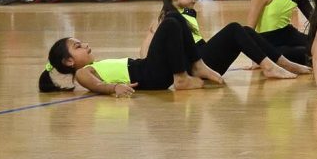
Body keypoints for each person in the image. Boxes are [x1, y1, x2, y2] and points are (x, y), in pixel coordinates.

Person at [146, 0, 305, 81]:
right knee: (234, 29)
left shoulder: (187, 12)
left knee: (245, 30)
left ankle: (284, 63)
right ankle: (269, 67)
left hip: (204, 60)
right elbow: (147, 54)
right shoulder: (165, 19)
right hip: (195, 67)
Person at [39, 33, 212, 96]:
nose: (85, 45)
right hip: (148, 74)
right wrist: (115, 88)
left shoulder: (95, 66)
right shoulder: (81, 73)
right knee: (171, 21)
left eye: (82, 43)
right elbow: (97, 85)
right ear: (69, 61)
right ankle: (185, 75)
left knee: (175, 22)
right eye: (78, 46)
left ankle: (197, 66)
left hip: (148, 70)